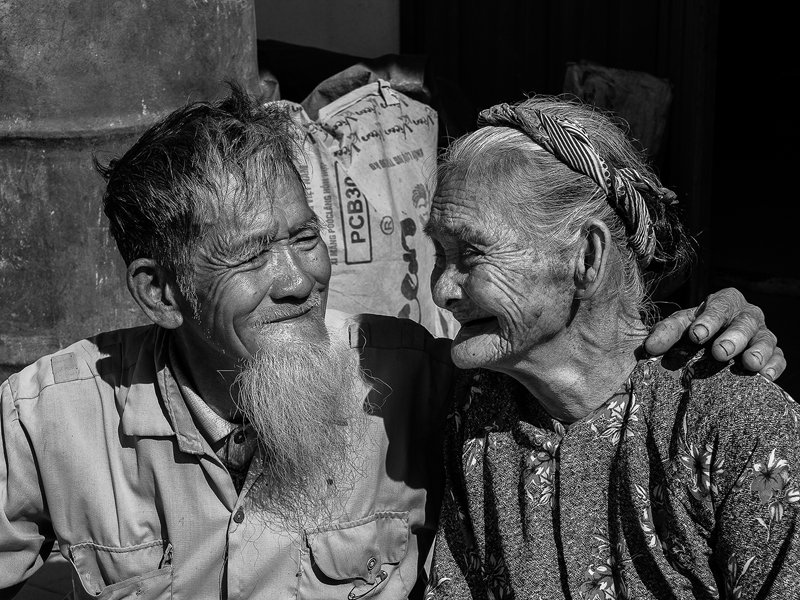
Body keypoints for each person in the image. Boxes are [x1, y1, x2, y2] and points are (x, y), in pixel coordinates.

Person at [0, 86, 784, 600]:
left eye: (305, 238)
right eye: (251, 256)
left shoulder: (432, 387)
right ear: (162, 294)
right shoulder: (50, 421)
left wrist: (711, 351)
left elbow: (590, 357)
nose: (300, 280)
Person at [424, 97, 799, 599]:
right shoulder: (479, 410)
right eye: (440, 253)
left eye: (471, 252)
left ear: (586, 258)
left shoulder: (727, 419)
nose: (442, 290)